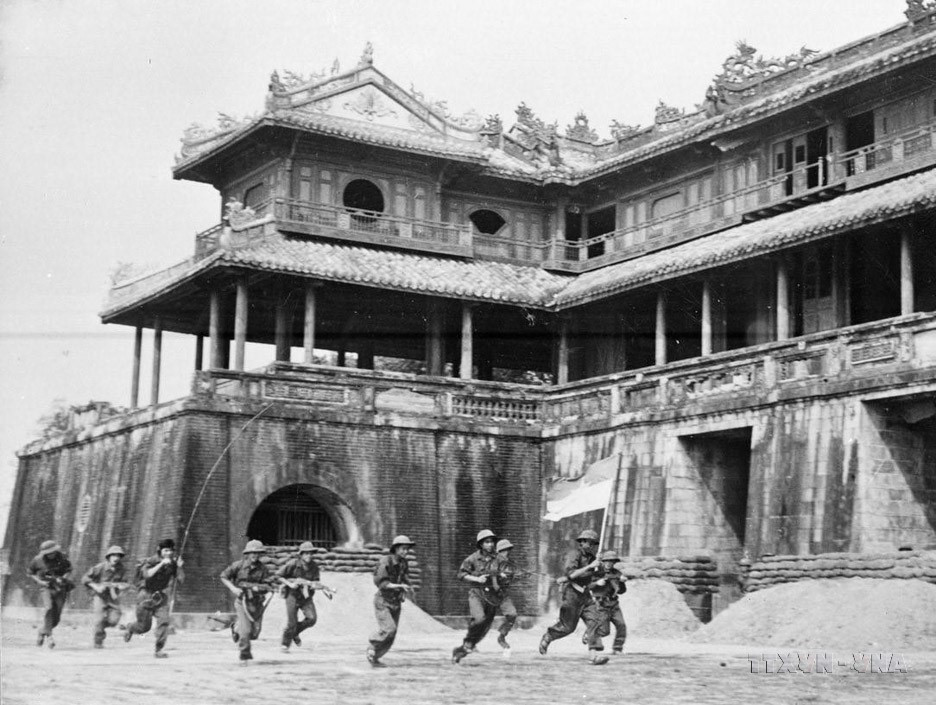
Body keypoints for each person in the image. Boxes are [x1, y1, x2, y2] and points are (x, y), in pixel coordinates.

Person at [539, 529, 605, 664]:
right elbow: (571, 575)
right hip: (572, 595)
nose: (592, 546)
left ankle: (593, 656)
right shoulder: (574, 555)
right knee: (568, 627)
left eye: (594, 544)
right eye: (590, 543)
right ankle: (549, 636)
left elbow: (600, 575)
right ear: (582, 542)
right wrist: (590, 567)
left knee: (595, 621)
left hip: (586, 596)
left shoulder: (593, 558)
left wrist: (600, 564)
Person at [123, 538, 184, 658]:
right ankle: (130, 628)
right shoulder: (150, 561)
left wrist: (179, 567)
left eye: (171, 551)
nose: (169, 553)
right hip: (145, 595)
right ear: (160, 550)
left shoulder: (173, 563)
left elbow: (181, 580)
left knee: (164, 621)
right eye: (166, 550)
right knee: (144, 627)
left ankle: (158, 650)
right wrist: (161, 563)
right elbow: (147, 575)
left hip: (160, 596)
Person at [451, 529, 503, 664]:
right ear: (481, 544)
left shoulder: (498, 558)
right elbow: (461, 575)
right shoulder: (473, 558)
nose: (490, 544)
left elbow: (505, 572)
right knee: (479, 619)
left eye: (492, 542)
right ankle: (467, 643)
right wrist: (477, 579)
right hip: (477, 594)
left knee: (484, 627)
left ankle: (463, 649)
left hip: (491, 596)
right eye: (487, 542)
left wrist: (503, 576)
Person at [220, 539, 276, 664]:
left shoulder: (263, 569)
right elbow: (223, 576)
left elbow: (269, 586)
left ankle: (235, 628)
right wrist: (233, 588)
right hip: (242, 602)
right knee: (245, 632)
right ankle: (244, 655)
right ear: (247, 553)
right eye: (252, 553)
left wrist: (259, 588)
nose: (254, 556)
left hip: (256, 604)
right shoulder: (238, 566)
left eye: (257, 553)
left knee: (254, 634)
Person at [275, 541, 335, 653]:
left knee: (312, 619)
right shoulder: (293, 563)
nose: (309, 556)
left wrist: (316, 586)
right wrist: (290, 584)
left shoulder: (314, 567)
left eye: (310, 553)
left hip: (306, 597)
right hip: (292, 595)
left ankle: (294, 632)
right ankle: (285, 643)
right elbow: (278, 575)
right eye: (306, 553)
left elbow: (316, 581)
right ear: (301, 554)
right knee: (291, 623)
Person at [366, 535, 415, 667]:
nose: (406, 552)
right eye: (403, 549)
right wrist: (399, 586)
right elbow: (382, 584)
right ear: (396, 549)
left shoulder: (404, 563)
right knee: (389, 629)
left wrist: (407, 587)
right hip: (383, 601)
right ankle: (372, 645)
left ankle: (374, 658)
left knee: (391, 636)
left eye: (407, 549)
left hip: (395, 602)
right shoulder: (385, 561)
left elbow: (405, 578)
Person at [27, 539, 74, 648]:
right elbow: (30, 573)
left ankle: (42, 631)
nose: (51, 554)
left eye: (53, 552)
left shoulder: (62, 557)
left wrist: (63, 579)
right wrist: (40, 581)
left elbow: (69, 569)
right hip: (46, 587)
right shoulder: (37, 560)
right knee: (48, 608)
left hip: (60, 588)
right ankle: (50, 637)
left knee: (56, 617)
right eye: (48, 553)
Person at [81, 545, 129, 649]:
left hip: (113, 597)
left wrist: (121, 586)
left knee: (114, 620)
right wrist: (96, 586)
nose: (116, 558)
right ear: (109, 557)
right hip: (100, 597)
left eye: (118, 556)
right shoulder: (100, 567)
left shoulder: (122, 569)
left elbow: (126, 583)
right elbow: (85, 578)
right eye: (113, 556)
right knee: (99, 620)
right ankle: (98, 641)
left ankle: (101, 627)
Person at [583, 550, 627, 659]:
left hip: (613, 604)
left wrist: (621, 582)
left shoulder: (617, 573)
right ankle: (589, 634)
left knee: (621, 625)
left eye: (611, 562)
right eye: (607, 561)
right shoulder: (596, 572)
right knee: (604, 631)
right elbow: (587, 586)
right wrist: (596, 583)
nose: (609, 564)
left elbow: (622, 591)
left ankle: (617, 648)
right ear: (602, 562)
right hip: (601, 604)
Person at [492, 539, 519, 652]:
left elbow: (512, 577)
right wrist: (498, 580)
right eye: (504, 551)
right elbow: (492, 576)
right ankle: (471, 643)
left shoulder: (510, 563)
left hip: (502, 594)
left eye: (508, 550)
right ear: (499, 551)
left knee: (512, 614)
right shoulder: (494, 562)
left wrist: (519, 576)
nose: (507, 553)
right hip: (490, 593)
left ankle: (502, 636)